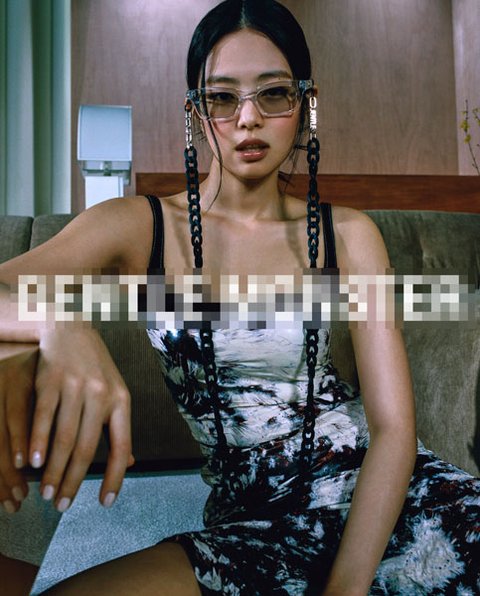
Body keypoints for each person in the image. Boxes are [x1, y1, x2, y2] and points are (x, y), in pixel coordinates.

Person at [0, 1, 478, 594]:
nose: (248, 119)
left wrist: (346, 587)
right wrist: (59, 325)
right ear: (195, 113)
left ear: (305, 104)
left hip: (393, 503)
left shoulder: (348, 234)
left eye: (273, 94)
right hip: (247, 528)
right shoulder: (141, 226)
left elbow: (393, 428)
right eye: (223, 98)